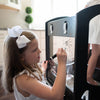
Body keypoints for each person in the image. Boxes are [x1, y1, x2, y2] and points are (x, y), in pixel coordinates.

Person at [1, 26, 67, 100]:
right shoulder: (22, 79)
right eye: (35, 50)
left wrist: (43, 70)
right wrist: (62, 63)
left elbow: (37, 83)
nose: (39, 51)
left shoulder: (29, 69)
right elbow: (56, 96)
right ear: (21, 57)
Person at [85, 0, 100, 85]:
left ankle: (81, 74)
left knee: (85, 49)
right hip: (98, 21)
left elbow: (84, 9)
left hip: (89, 21)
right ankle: (89, 78)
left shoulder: (91, 1)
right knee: (95, 52)